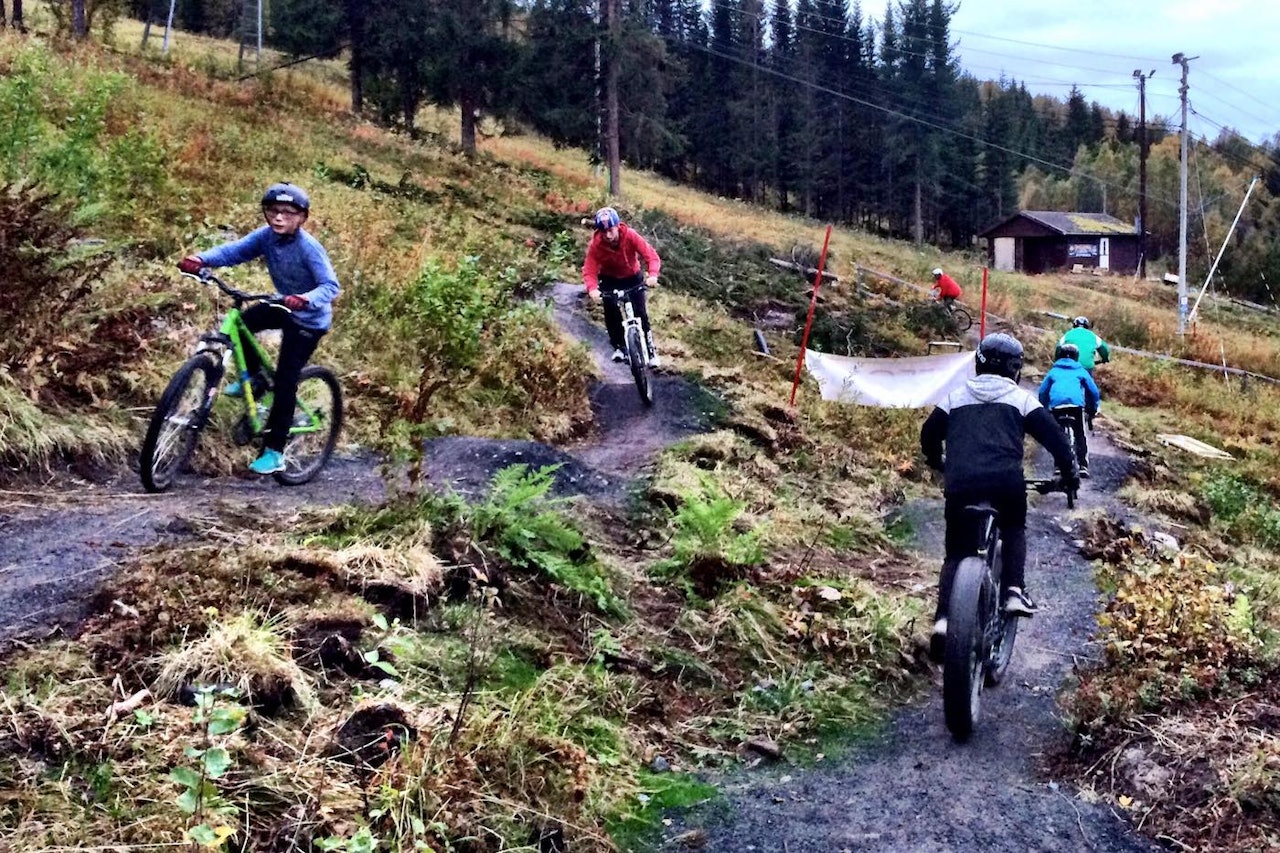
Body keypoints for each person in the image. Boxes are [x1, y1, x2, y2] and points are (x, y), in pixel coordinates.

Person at [920, 332, 1079, 662]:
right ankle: (1012, 591)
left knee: (956, 553)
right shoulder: (1021, 399)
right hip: (1006, 484)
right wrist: (1069, 475)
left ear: (978, 363)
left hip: (961, 484)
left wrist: (938, 462)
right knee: (1014, 529)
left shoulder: (955, 397)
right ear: (1015, 369)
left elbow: (929, 433)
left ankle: (944, 621)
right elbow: (1058, 442)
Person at [178, 183, 341, 476]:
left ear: (302, 218)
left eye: (288, 213)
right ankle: (255, 380)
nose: (279, 218)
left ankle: (275, 450)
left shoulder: (309, 248)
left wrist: (305, 299)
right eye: (273, 211)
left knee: (286, 380)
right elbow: (234, 252)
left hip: (308, 319)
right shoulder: (266, 237)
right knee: (242, 325)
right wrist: (201, 259)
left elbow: (330, 286)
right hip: (283, 305)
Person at [582, 206, 662, 367]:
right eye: (603, 231)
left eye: (611, 230)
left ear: (617, 226)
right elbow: (589, 269)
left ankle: (650, 349)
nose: (608, 235)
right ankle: (620, 347)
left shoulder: (630, 236)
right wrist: (592, 289)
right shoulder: (596, 245)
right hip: (609, 279)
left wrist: (652, 275)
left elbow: (651, 256)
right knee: (611, 310)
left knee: (640, 313)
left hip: (633, 277)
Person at [1038, 343, 1101, 478]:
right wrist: (1094, 408)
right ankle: (1083, 465)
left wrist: (1044, 408)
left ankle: (1057, 466)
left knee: (1057, 436)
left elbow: (1042, 391)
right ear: (1076, 357)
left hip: (1057, 406)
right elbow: (1094, 392)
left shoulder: (1053, 371)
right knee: (1080, 434)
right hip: (1075, 406)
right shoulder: (1080, 371)